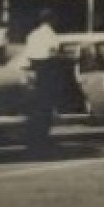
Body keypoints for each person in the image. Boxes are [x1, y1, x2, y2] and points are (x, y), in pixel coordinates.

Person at [22, 10, 68, 150]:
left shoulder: (32, 35)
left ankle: (33, 138)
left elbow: (28, 57)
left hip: (34, 71)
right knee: (46, 108)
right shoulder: (52, 36)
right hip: (48, 71)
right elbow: (53, 55)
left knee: (35, 107)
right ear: (52, 19)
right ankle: (42, 138)